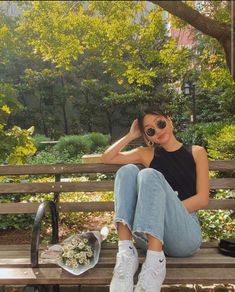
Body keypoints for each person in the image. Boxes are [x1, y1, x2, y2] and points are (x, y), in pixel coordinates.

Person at [101, 108, 209, 292]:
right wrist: (130, 135)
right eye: (150, 130)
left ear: (170, 121)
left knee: (149, 175)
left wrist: (162, 210)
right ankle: (126, 255)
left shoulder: (196, 152)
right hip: (148, 236)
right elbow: (107, 157)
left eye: (160, 123)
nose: (158, 131)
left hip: (184, 235)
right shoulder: (147, 153)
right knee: (127, 171)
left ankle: (155, 264)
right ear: (148, 137)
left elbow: (202, 199)